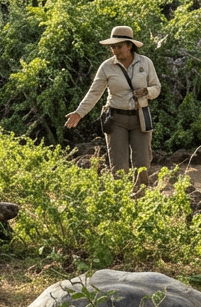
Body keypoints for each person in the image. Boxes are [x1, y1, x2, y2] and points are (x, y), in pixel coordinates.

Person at [66, 25, 161, 187]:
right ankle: (121, 200)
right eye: (113, 47)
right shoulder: (106, 67)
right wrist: (79, 113)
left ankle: (141, 199)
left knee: (142, 164)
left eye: (119, 46)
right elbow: (94, 93)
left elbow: (157, 88)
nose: (115, 50)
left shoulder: (145, 63)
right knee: (119, 166)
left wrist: (146, 91)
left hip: (140, 118)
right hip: (116, 119)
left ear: (129, 45)